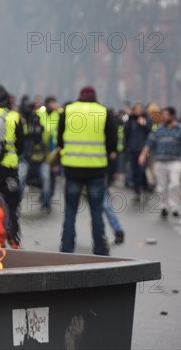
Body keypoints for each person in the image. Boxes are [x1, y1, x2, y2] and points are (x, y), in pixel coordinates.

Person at [57, 86, 117, 256]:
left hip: (72, 169)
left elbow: (59, 139)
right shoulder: (103, 112)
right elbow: (112, 142)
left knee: (70, 211)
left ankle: (66, 248)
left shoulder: (68, 111)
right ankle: (100, 248)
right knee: (96, 211)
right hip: (96, 170)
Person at [138, 107, 181, 218]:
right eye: (163, 115)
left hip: (176, 161)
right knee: (161, 186)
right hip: (160, 161)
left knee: (174, 184)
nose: (163, 117)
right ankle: (163, 207)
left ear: (172, 115)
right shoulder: (159, 129)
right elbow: (149, 142)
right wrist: (142, 155)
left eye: (166, 115)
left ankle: (175, 207)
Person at [0, 85, 25, 247]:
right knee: (11, 205)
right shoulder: (15, 117)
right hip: (9, 169)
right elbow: (21, 146)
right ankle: (14, 239)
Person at [124, 103, 152, 199]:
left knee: (142, 170)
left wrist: (144, 125)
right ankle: (137, 190)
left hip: (143, 149)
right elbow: (125, 133)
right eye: (136, 109)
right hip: (133, 149)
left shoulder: (146, 119)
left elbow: (150, 132)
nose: (138, 111)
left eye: (139, 109)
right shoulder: (131, 121)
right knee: (134, 170)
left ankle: (144, 186)